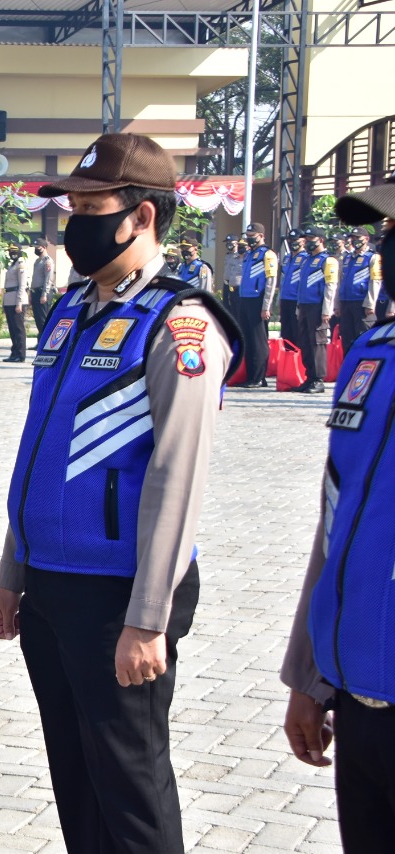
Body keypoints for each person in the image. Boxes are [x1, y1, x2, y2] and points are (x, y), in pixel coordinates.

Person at [0, 133, 239, 854]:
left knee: (130, 786)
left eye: (94, 207)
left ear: (144, 217)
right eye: (74, 207)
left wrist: (148, 617)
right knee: (76, 777)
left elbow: (177, 475)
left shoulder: (179, 322)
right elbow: (41, 449)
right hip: (52, 584)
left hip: (122, 596)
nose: (76, 222)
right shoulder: (70, 311)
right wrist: (14, 572)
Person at [281, 174, 395, 851]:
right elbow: (337, 524)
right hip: (359, 700)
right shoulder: (373, 355)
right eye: (386, 234)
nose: (386, 247)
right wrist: (310, 676)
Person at [291, 228, 337, 394]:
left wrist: (327, 310)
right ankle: (309, 377)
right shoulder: (307, 260)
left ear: (321, 240)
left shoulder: (328, 261)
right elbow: (301, 286)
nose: (308, 242)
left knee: (317, 343)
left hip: (318, 307)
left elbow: (330, 287)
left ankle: (318, 379)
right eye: (307, 238)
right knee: (305, 342)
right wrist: (298, 307)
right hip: (304, 305)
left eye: (312, 238)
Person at [236, 222, 277, 388]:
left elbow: (271, 282)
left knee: (258, 340)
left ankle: (259, 377)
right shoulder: (248, 254)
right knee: (248, 339)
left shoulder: (267, 255)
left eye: (253, 236)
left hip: (258, 300)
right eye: (248, 236)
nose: (249, 239)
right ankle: (251, 376)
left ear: (261, 236)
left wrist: (266, 306)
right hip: (245, 299)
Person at [335, 225, 382, 353]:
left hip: (362, 303)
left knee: (363, 337)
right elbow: (340, 281)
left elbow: (375, 281)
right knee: (347, 338)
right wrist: (337, 303)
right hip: (346, 302)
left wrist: (370, 303)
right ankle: (349, 369)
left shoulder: (372, 257)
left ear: (366, 239)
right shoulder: (347, 258)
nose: (355, 240)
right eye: (352, 238)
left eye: (358, 237)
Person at [280, 228, 306, 352]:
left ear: (303, 241)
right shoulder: (286, 258)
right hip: (285, 298)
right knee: (286, 332)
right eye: (290, 240)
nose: (292, 242)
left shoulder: (306, 258)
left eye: (295, 240)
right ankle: (288, 362)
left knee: (298, 333)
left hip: (296, 300)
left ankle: (299, 361)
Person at [2, 242, 29, 362]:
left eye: (14, 251)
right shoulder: (12, 264)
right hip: (9, 300)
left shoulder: (21, 264)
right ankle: (14, 353)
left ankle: (20, 354)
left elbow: (22, 285)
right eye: (10, 251)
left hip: (17, 300)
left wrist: (19, 303)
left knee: (18, 329)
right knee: (12, 329)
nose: (12, 253)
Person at [30, 238, 56, 337]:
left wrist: (44, 294)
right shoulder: (37, 261)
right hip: (36, 292)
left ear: (44, 247)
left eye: (37, 247)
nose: (36, 249)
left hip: (43, 292)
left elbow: (48, 279)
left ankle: (45, 340)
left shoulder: (48, 261)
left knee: (43, 319)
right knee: (38, 319)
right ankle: (40, 340)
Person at [222, 234, 244, 310]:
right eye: (227, 242)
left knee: (237, 310)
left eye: (230, 242)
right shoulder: (228, 255)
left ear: (236, 243)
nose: (228, 244)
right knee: (226, 308)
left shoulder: (241, 255)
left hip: (237, 287)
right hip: (227, 285)